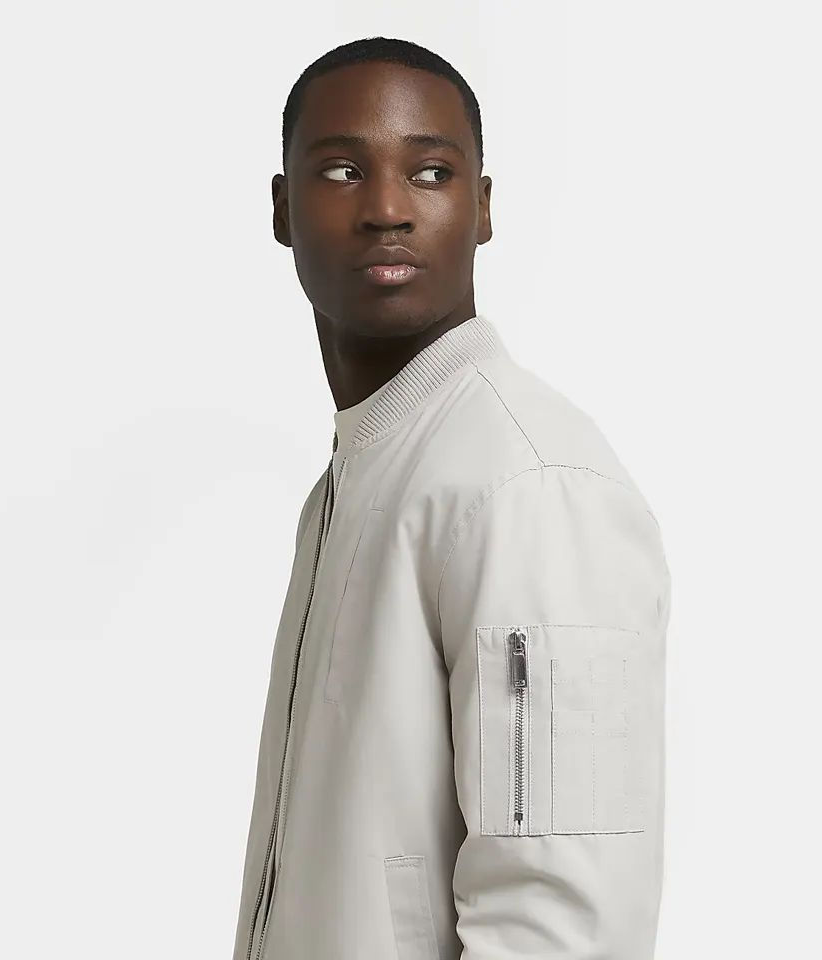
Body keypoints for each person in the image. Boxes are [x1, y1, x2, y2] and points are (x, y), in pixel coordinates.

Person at [231, 36, 671, 960]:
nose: (387, 209)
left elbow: (563, 926)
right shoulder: (353, 482)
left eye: (431, 173)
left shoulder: (527, 485)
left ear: (483, 208)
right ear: (282, 208)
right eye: (343, 171)